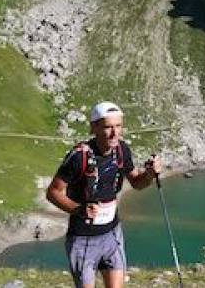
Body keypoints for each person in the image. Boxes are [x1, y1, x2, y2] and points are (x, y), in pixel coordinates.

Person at [46, 101, 163, 288]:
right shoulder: (79, 156)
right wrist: (78, 209)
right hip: (83, 239)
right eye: (108, 127)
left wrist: (149, 174)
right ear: (94, 127)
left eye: (118, 126)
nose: (115, 133)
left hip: (112, 234)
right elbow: (53, 192)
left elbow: (136, 182)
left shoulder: (121, 150)